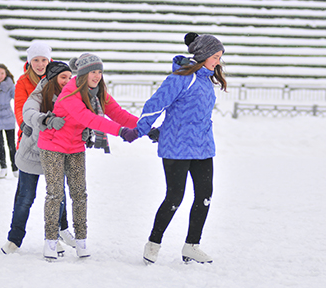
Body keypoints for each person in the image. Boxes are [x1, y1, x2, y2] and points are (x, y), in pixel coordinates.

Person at [37, 53, 139, 260]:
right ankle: (50, 241)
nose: (97, 76)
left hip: (75, 146)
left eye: (100, 72)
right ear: (83, 73)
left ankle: (81, 241)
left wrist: (145, 127)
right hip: (53, 146)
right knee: (55, 194)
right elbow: (88, 118)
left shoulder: (98, 92)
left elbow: (119, 114)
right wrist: (121, 132)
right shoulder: (69, 94)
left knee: (79, 194)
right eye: (93, 72)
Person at [137, 32, 227, 264]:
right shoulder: (180, 78)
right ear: (204, 55)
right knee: (175, 197)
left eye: (219, 57)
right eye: (215, 56)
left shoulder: (206, 79)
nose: (218, 61)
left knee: (205, 196)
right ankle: (153, 243)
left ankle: (191, 245)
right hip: (177, 146)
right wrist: (142, 129)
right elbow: (154, 105)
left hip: (203, 147)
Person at [1, 61, 76, 255]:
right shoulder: (38, 95)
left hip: (58, 155)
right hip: (33, 154)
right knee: (25, 198)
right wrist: (46, 119)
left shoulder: (73, 95)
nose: (67, 81)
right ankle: (14, 239)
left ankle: (54, 238)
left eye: (69, 77)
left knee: (57, 197)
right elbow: (28, 112)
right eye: (63, 77)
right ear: (52, 78)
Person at [15, 41, 51, 149]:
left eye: (44, 60)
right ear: (30, 62)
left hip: (51, 132)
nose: (40, 64)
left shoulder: (57, 78)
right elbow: (19, 105)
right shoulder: (23, 81)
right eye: (36, 60)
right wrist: (23, 123)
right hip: (30, 130)